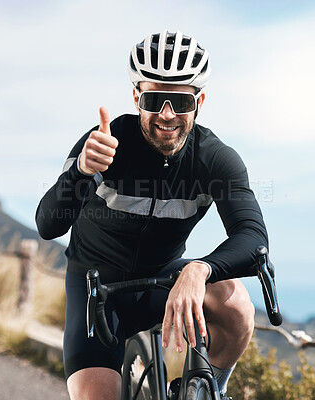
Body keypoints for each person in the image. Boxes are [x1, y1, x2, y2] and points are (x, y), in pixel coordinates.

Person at [36, 30, 268, 400]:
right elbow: (48, 225)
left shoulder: (213, 159)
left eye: (180, 101)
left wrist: (199, 269)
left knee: (238, 304)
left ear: (199, 102)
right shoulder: (105, 143)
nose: (167, 114)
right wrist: (80, 171)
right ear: (136, 97)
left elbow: (253, 238)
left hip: (163, 282)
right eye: (155, 98)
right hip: (97, 293)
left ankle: (208, 392)